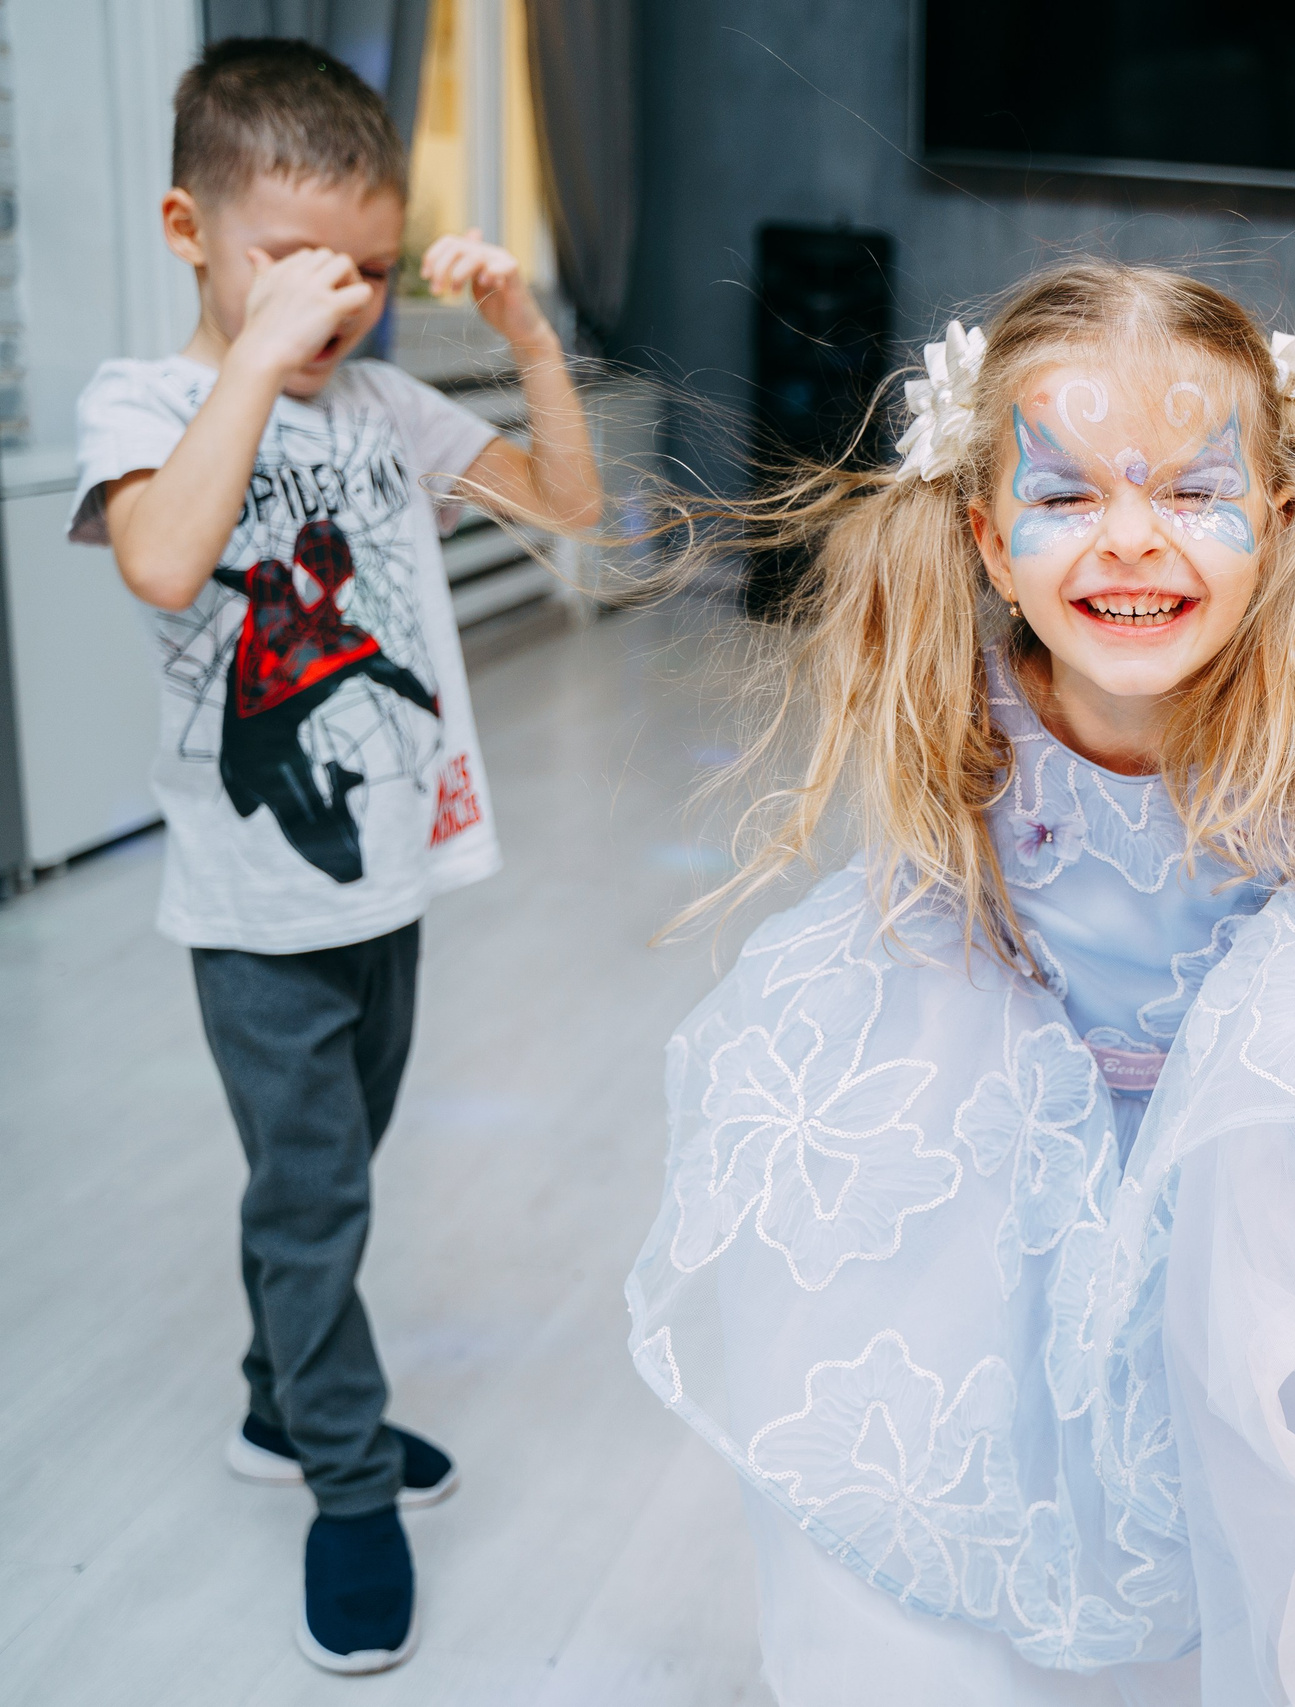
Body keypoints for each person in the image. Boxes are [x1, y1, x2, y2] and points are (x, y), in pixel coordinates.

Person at [624, 263, 1295, 1706]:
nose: (1132, 544)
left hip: (1244, 1181)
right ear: (990, 541)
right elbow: (953, 904)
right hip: (1024, 1143)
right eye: (1067, 499)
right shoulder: (974, 713)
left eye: (1196, 493)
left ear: (1287, 514)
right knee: (1005, 1450)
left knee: (1237, 1460)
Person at [68, 38, 603, 1675]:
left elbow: (572, 504)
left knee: (326, 1178)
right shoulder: (146, 403)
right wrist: (256, 365)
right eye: (290, 264)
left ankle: (273, 1406)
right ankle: (348, 1480)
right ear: (189, 231)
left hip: (389, 877)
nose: (339, 301)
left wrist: (520, 330)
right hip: (254, 899)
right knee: (317, 1201)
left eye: (365, 268)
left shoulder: (387, 404)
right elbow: (164, 565)